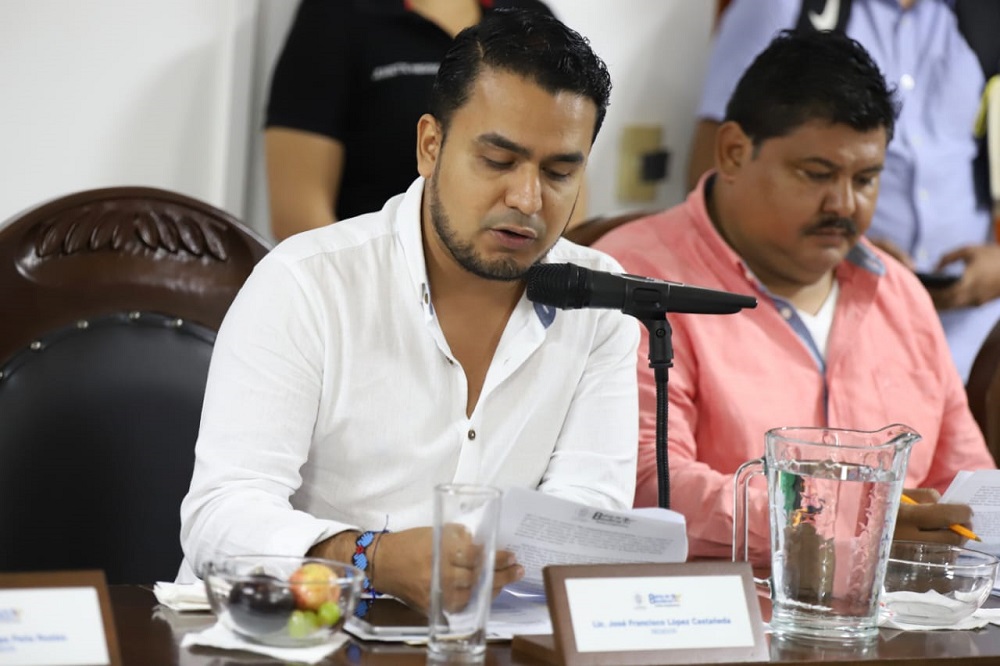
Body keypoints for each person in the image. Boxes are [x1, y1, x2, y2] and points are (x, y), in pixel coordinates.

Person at [179, 9, 639, 612]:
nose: (527, 199)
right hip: (290, 633)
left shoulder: (602, 301)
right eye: (498, 161)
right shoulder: (306, 282)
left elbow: (587, 515)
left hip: (491, 638)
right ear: (430, 145)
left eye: (558, 173)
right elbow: (221, 515)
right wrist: (370, 558)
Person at [594, 29, 996, 565]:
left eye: (866, 179)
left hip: (908, 606)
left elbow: (968, 485)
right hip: (720, 606)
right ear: (734, 152)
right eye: (817, 174)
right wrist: (849, 526)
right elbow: (652, 486)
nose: (844, 205)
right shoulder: (635, 279)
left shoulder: (900, 296)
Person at [686, 0, 1000, 384]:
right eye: (818, 173)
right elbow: (714, 175)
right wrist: (834, 252)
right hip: (820, 326)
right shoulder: (782, 7)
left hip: (975, 335)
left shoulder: (987, 14)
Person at [264, 0, 555, 240]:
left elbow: (563, 169)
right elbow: (298, 213)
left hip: (508, 273)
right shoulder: (336, 13)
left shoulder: (528, 17)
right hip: (374, 274)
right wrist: (373, 284)